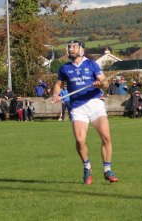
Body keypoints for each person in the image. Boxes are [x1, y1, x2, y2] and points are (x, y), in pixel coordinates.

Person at [51, 40, 118, 185]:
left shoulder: (92, 64)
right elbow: (58, 84)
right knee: (80, 141)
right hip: (77, 106)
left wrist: (100, 83)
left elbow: (105, 83)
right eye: (69, 47)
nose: (71, 49)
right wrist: (56, 95)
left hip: (94, 103)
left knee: (106, 137)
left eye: (74, 47)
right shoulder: (65, 68)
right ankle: (87, 167)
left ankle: (107, 170)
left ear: (81, 49)